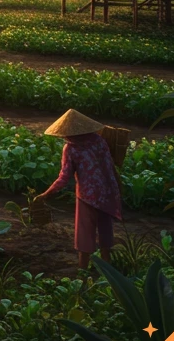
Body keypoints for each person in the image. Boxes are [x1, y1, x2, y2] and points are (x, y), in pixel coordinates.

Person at [35, 109, 123, 271]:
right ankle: (108, 269)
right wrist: (118, 186)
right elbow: (110, 165)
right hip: (107, 192)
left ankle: (82, 270)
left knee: (85, 233)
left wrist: (46, 194)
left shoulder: (71, 149)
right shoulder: (99, 140)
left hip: (87, 196)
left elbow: (64, 177)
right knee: (105, 229)